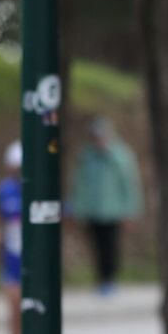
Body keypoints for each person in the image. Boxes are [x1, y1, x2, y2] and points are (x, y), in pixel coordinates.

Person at [67, 116, 142, 295]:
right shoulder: (87, 156)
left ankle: (110, 279)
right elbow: (80, 185)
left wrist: (131, 211)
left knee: (111, 246)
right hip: (93, 210)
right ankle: (100, 278)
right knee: (97, 245)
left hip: (113, 211)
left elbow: (130, 185)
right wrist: (77, 208)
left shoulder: (121, 156)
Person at [0, 141, 23, 334]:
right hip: (12, 264)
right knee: (14, 316)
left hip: (36, 267)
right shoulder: (3, 192)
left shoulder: (43, 190)